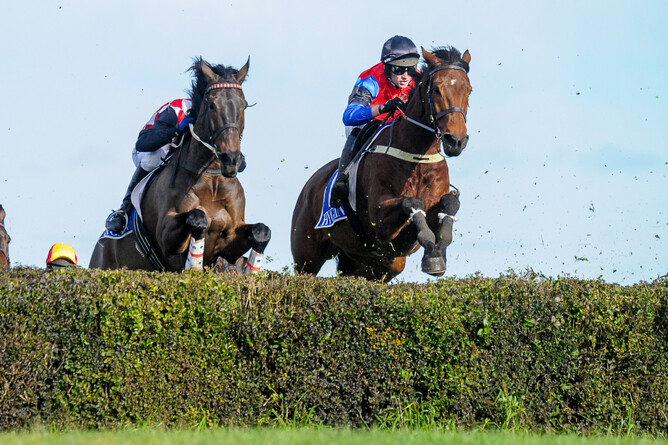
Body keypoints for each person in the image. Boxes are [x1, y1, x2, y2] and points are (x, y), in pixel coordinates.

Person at [331, 35, 421, 207]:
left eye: (410, 69)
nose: (405, 76)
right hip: (371, 123)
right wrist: (383, 107)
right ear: (387, 67)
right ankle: (342, 178)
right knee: (357, 128)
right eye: (398, 70)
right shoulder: (370, 79)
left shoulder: (417, 78)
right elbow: (349, 116)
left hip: (399, 125)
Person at [105, 98, 194, 234]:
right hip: (148, 151)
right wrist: (175, 131)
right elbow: (143, 144)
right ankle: (124, 211)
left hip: (179, 158)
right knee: (154, 157)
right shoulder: (178, 109)